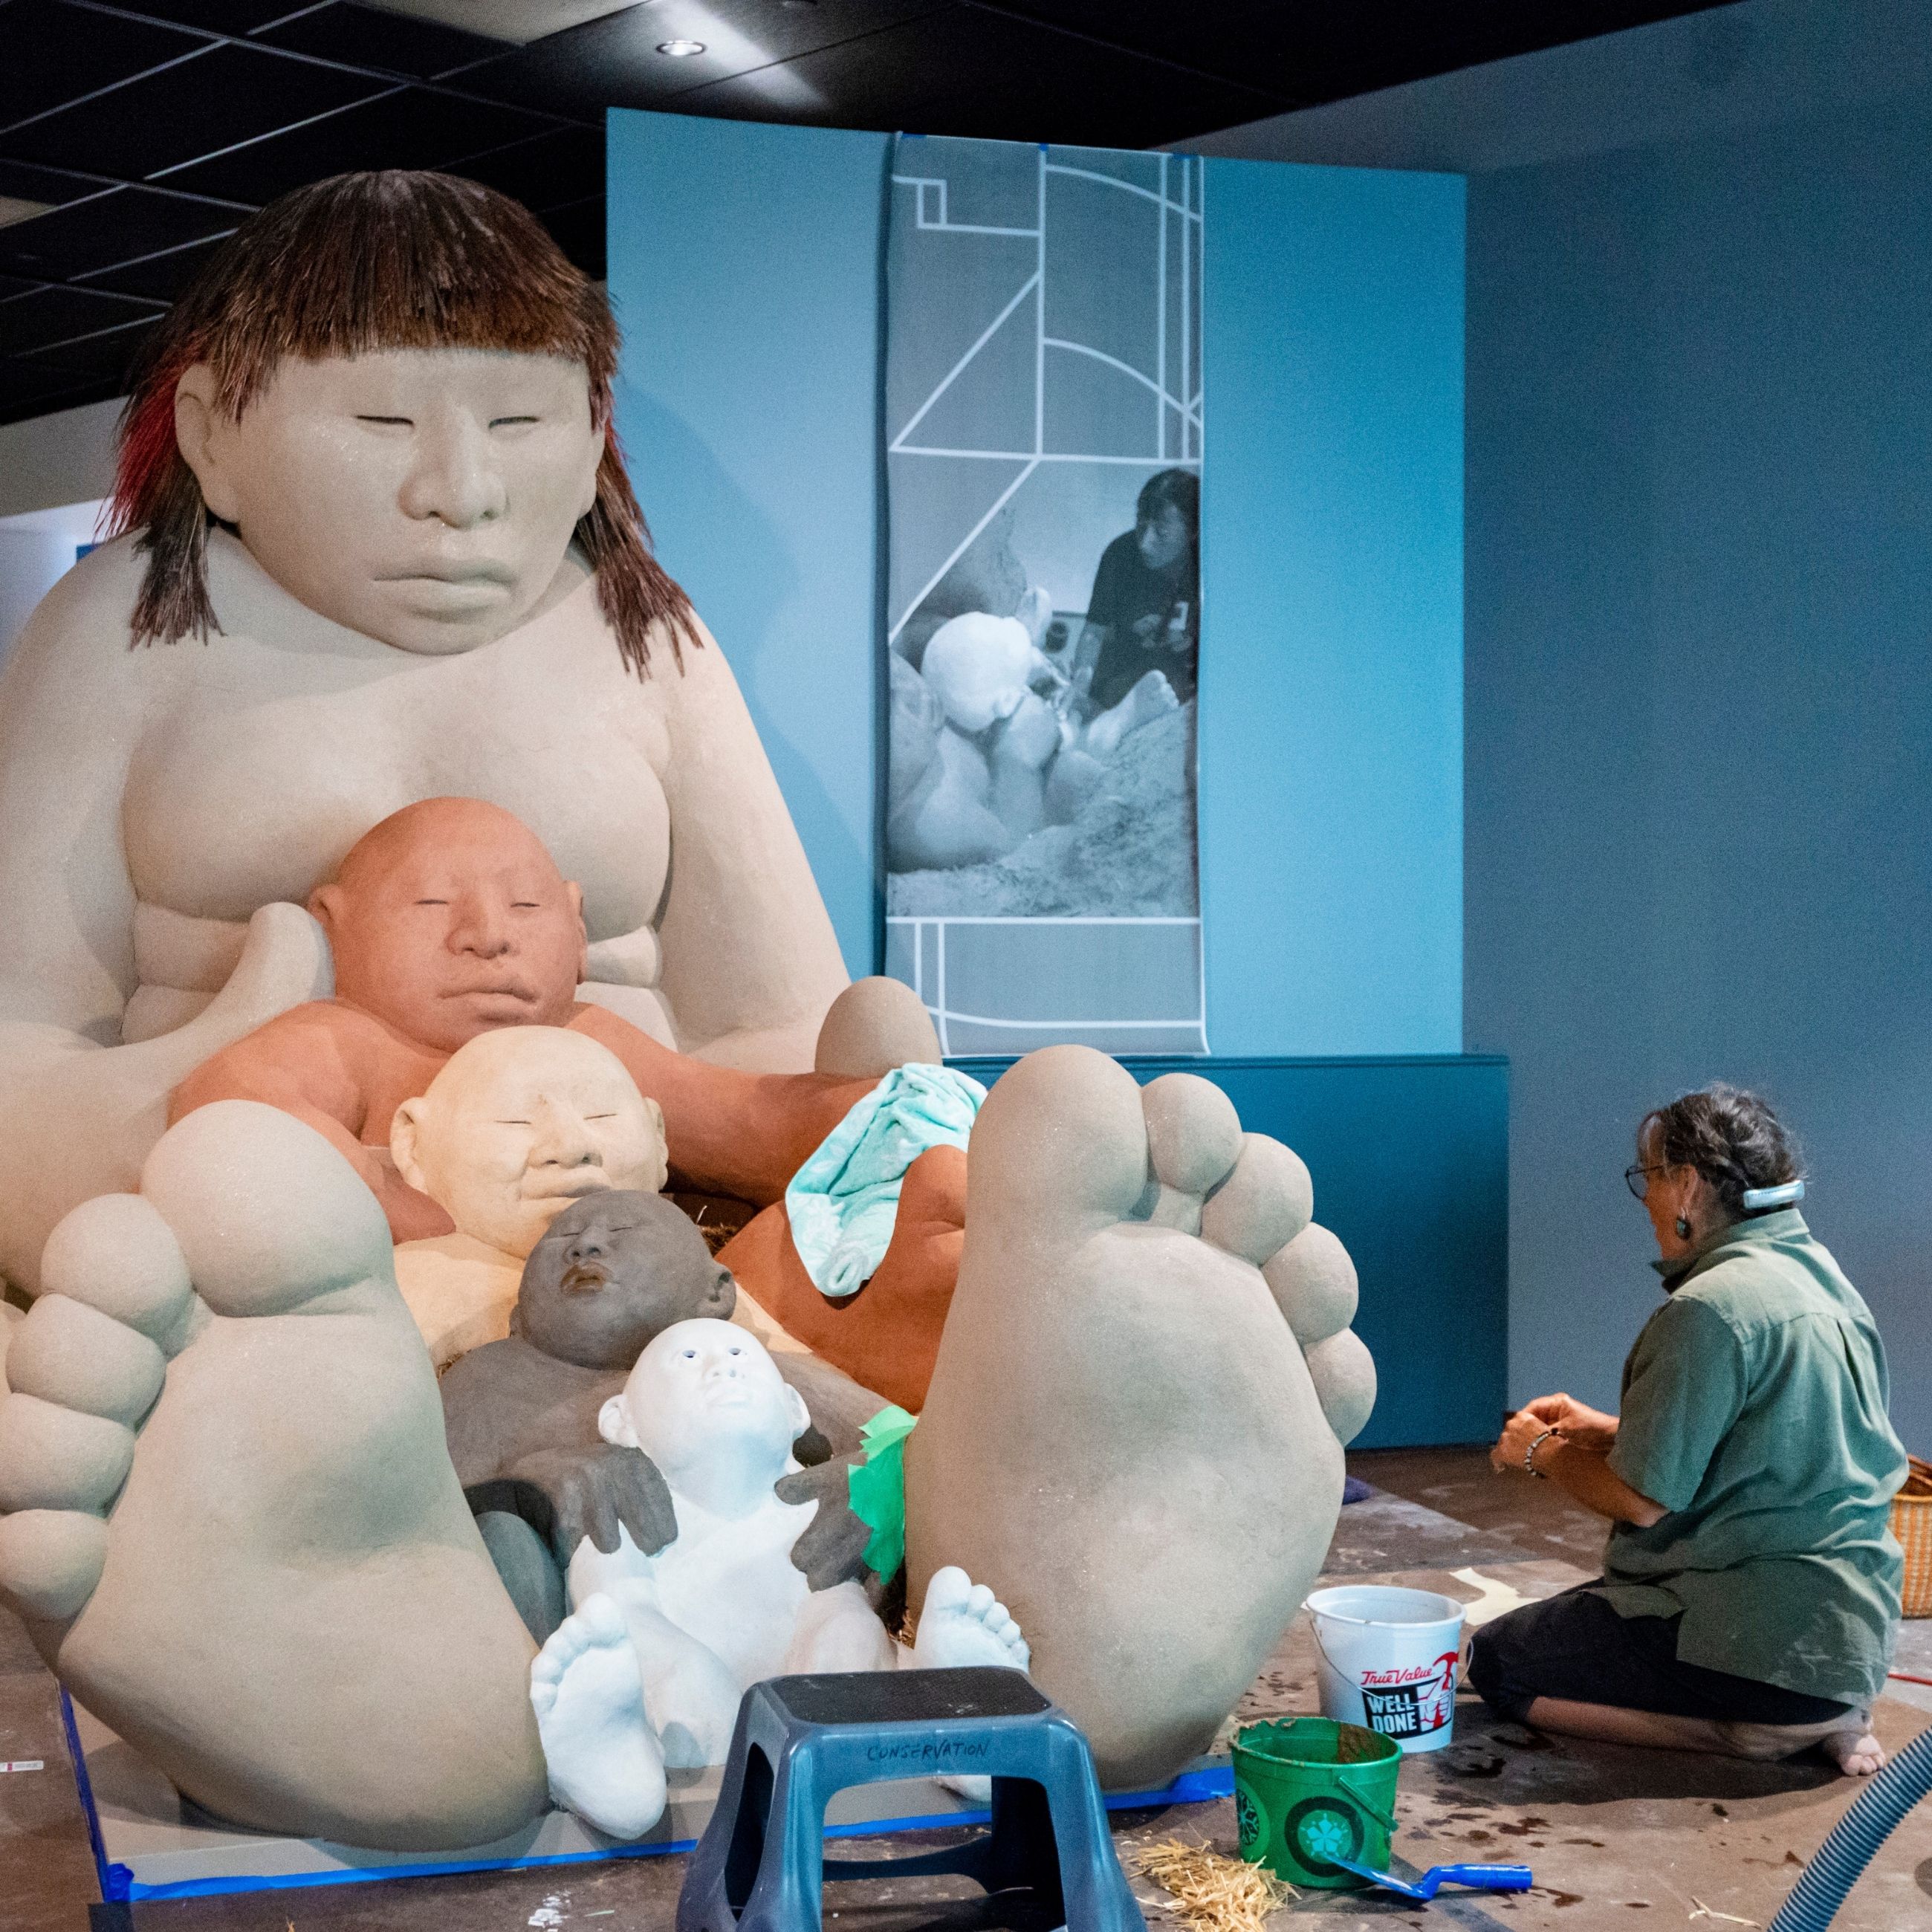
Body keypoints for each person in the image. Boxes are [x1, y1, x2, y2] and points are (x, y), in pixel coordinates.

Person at [170, 796, 967, 1408]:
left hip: (671, 1320)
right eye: (430, 906)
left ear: (577, 928)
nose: (487, 935)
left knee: (793, 1257)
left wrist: (875, 1113)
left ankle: (947, 1305)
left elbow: (744, 1123)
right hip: (464, 1349)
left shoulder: (587, 1036)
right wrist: (419, 1215)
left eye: (525, 906)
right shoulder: (346, 1040)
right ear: (335, 926)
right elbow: (236, 1113)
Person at [1473, 1085, 1905, 1777]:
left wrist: (1538, 1451)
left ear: (1686, 1185)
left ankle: (1742, 1733)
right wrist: (1604, 1430)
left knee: (1499, 1662)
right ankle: (1824, 1718)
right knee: (1582, 1616)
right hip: (1850, 1644)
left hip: (1756, 1645)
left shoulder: (1709, 1308)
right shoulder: (1820, 1278)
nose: (1644, 1198)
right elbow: (1764, 1442)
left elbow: (1640, 1500)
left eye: (1648, 1177)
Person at [530, 1317, 1029, 1837]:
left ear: (794, 1409)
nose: (723, 1367)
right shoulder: (625, 1512)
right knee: (671, 1673)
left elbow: (842, 1581)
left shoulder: (821, 1507)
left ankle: (957, 1729)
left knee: (847, 1637)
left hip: (812, 1700)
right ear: (621, 1421)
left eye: (740, 1355)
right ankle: (615, 1766)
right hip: (691, 1724)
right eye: (689, 1359)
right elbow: (619, 1605)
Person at [1070, 467, 1199, 719]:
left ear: (1192, 532)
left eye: (1161, 532)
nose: (1145, 543)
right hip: (1123, 676)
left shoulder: (1212, 568)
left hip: (1181, 684)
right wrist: (1079, 688)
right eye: (1141, 523)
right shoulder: (1119, 555)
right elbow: (1094, 633)